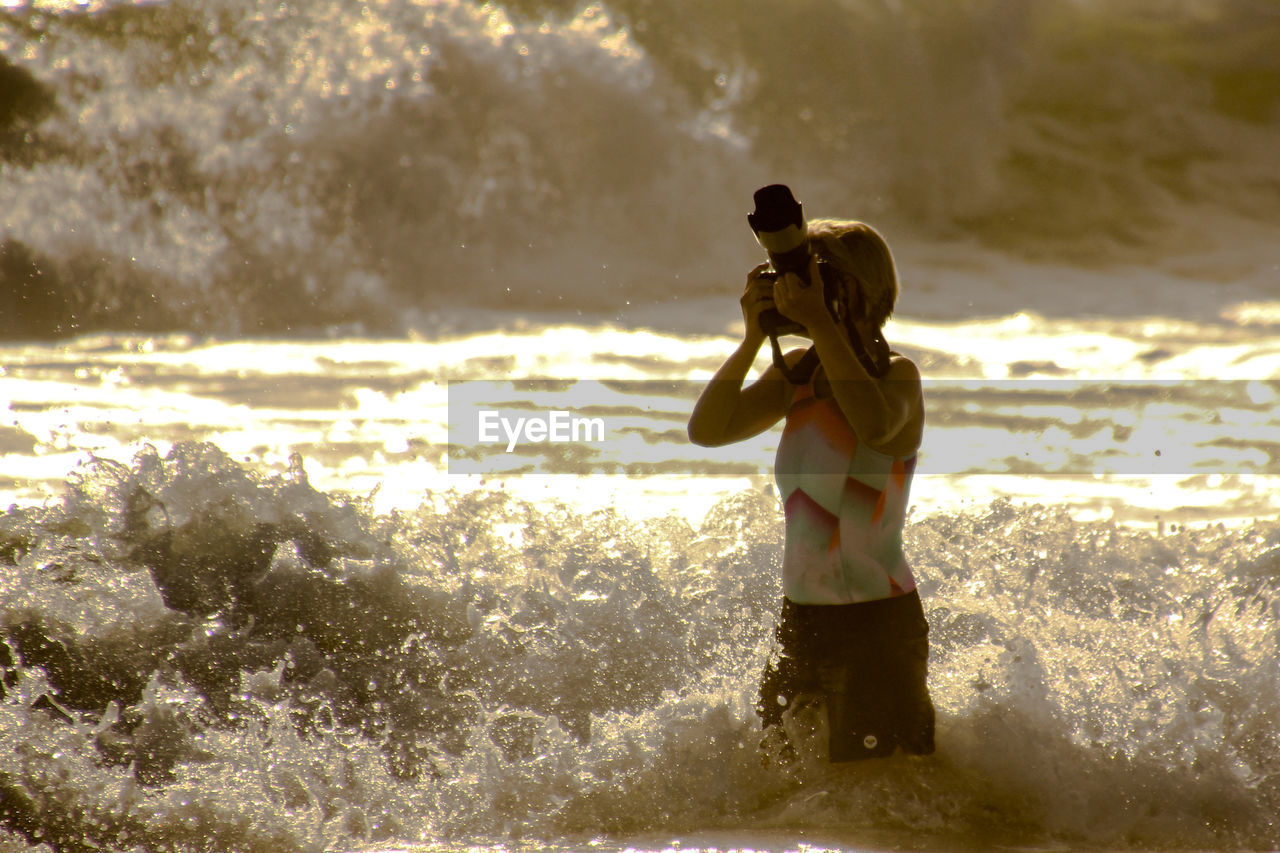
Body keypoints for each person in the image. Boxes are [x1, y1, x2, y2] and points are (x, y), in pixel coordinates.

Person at [687, 218, 934, 762]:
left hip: (877, 623)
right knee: (786, 779)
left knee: (883, 798)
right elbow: (706, 430)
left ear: (860, 290)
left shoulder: (898, 378)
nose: (803, 291)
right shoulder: (798, 374)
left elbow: (871, 424)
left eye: (821, 279)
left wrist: (820, 320)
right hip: (802, 617)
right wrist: (753, 336)